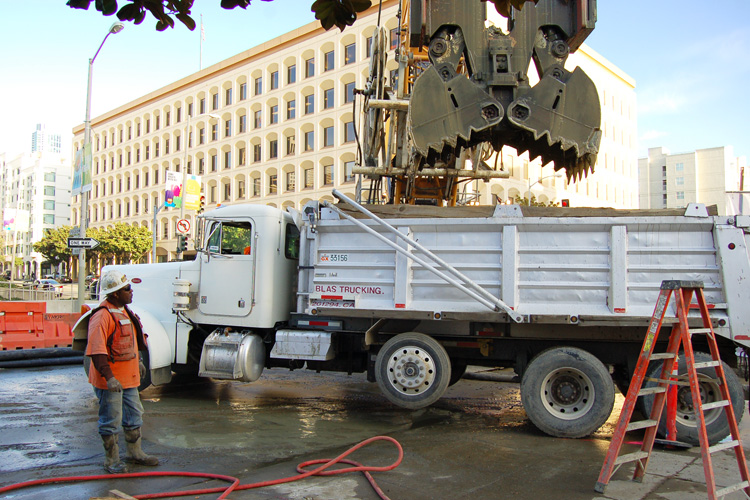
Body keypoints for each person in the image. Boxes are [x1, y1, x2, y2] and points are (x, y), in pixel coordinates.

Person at [85, 270, 159, 473]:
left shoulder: (124, 310)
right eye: (127, 288)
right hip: (112, 381)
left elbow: (130, 341)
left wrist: (139, 363)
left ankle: (135, 454)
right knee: (111, 420)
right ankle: (111, 461)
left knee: (134, 416)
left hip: (129, 379)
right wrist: (109, 378)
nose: (131, 291)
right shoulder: (102, 316)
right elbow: (97, 350)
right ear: (115, 293)